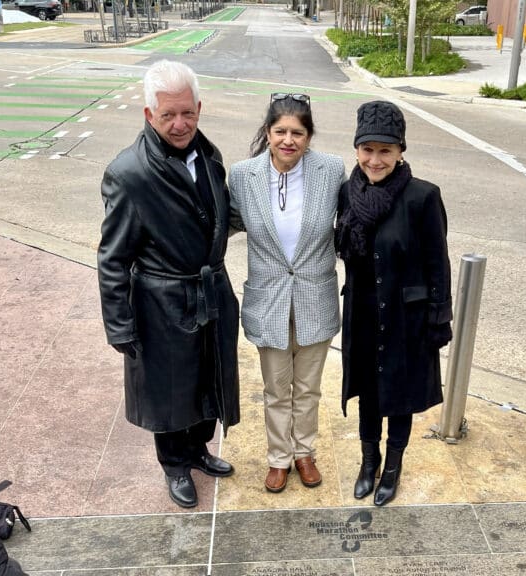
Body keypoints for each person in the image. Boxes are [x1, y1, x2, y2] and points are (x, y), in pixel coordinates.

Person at [97, 59, 239, 509]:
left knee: (207, 379)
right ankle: (174, 464)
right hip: (161, 301)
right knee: (169, 388)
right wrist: (119, 325)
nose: (179, 125)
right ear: (147, 115)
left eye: (187, 113)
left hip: (209, 290)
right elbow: (112, 257)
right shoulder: (129, 173)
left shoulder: (210, 156)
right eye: (168, 116)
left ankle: (198, 448)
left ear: (199, 108)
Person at [335, 100, 452, 507]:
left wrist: (439, 319)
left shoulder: (423, 197)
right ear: (356, 150)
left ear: (401, 151)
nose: (375, 159)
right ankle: (369, 462)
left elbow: (439, 263)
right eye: (368, 149)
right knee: (369, 390)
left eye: (385, 150)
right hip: (364, 312)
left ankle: (393, 468)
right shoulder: (348, 194)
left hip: (407, 317)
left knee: (399, 395)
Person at [228, 93, 345, 493]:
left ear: (309, 136)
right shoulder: (244, 175)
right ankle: (279, 458)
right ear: (268, 133)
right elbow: (222, 223)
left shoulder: (330, 171)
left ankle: (304, 453)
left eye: (298, 132)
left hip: (316, 296)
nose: (288, 140)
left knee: (308, 387)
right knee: (276, 387)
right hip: (268, 299)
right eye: (280, 131)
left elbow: (352, 221)